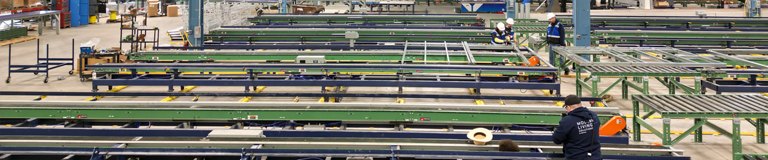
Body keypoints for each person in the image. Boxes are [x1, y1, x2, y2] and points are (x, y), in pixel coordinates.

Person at [553, 95, 602, 160]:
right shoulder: (594, 116)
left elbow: (557, 139)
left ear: (568, 107)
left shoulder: (568, 121)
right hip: (595, 157)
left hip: (576, 156)